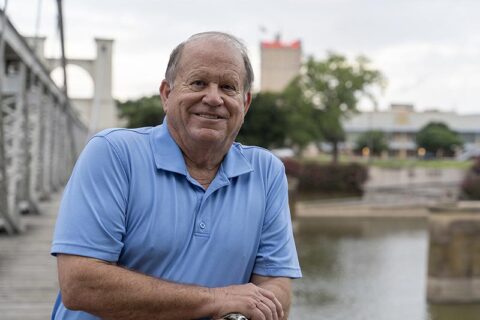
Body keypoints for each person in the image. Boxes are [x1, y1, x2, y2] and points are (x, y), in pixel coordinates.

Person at [51, 31, 301, 320]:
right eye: (198, 83)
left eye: (228, 87)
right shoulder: (113, 154)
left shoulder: (267, 172)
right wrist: (215, 300)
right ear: (167, 94)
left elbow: (275, 286)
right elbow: (80, 284)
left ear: (244, 104)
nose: (213, 97)